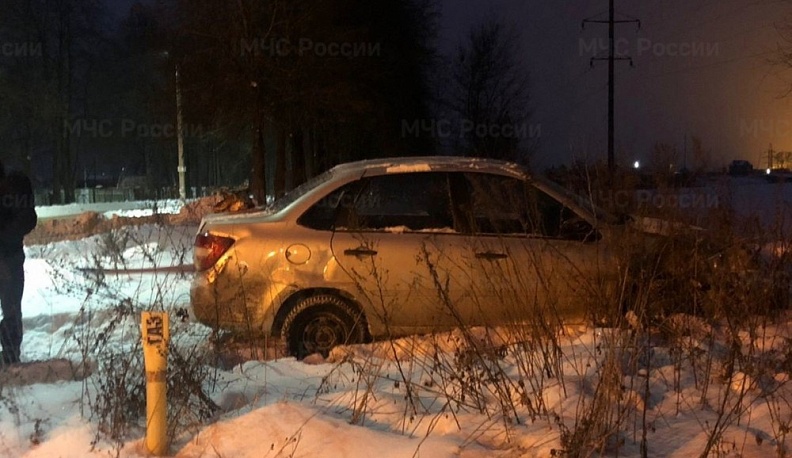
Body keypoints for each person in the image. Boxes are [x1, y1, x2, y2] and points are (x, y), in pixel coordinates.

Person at [0, 160, 37, 364]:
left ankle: (11, 358)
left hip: (8, 257)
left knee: (11, 309)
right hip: (9, 254)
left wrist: (4, 236)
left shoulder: (15, 182)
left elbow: (27, 218)